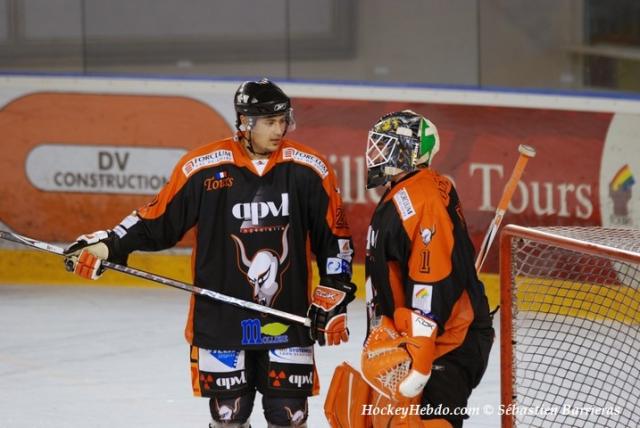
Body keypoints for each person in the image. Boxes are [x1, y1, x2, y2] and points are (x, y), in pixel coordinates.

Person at [63, 78, 357, 428]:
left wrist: (335, 290)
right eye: (268, 122)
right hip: (221, 321)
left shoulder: (310, 169)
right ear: (245, 122)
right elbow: (157, 221)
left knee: (289, 418)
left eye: (283, 120)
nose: (279, 129)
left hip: (287, 318)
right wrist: (109, 244)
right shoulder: (202, 168)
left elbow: (334, 238)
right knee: (228, 418)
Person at [359, 110, 494, 427]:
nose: (377, 153)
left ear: (412, 151)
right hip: (420, 342)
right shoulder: (404, 191)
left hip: (446, 343)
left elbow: (430, 278)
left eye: (388, 146)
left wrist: (421, 353)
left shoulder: (424, 198)